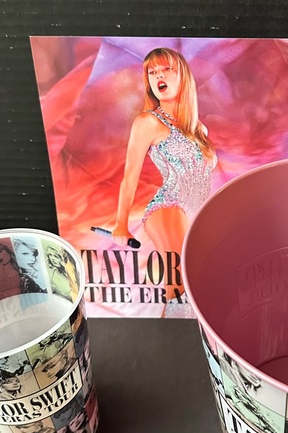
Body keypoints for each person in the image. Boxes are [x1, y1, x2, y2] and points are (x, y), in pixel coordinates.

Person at [110, 47, 217, 309]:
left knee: (197, 287)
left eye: (167, 69)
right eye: (152, 72)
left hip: (195, 216)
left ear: (183, 76)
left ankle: (181, 331)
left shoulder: (199, 130)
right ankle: (175, 333)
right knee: (181, 283)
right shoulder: (148, 122)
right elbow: (130, 176)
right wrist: (121, 224)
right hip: (168, 207)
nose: (159, 75)